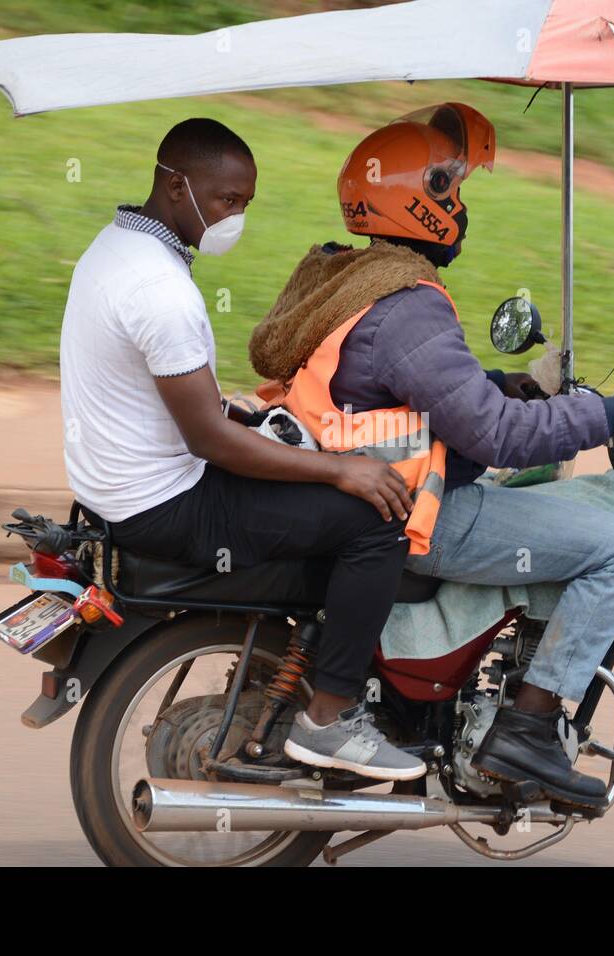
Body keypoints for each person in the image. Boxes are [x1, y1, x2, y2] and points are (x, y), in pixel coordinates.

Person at [249, 103, 614, 809]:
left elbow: (404, 395)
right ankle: (531, 732)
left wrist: (501, 386)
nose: (463, 208)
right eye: (456, 191)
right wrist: (612, 414)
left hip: (363, 492)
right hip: (420, 511)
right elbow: (497, 438)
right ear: (425, 201)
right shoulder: (407, 302)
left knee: (567, 513)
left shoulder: (348, 277)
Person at [59, 118, 425, 782]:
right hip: (167, 502)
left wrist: (237, 410)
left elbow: (176, 403)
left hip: (114, 487)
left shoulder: (113, 250)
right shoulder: (160, 291)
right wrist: (343, 469)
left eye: (246, 203)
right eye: (227, 201)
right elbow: (210, 442)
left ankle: (295, 673)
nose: (236, 218)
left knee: (314, 497)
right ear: (176, 186)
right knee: (375, 524)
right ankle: (333, 721)